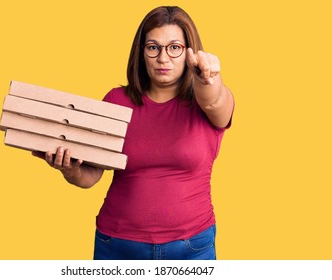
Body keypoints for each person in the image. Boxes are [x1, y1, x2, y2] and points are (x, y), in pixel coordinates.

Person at [33, 6, 234, 260]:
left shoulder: (207, 103)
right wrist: (69, 168)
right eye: (153, 47)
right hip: (118, 245)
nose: (163, 58)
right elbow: (91, 176)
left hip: (192, 247)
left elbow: (214, 101)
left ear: (190, 53)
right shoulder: (116, 101)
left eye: (174, 48)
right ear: (141, 53)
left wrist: (209, 77)